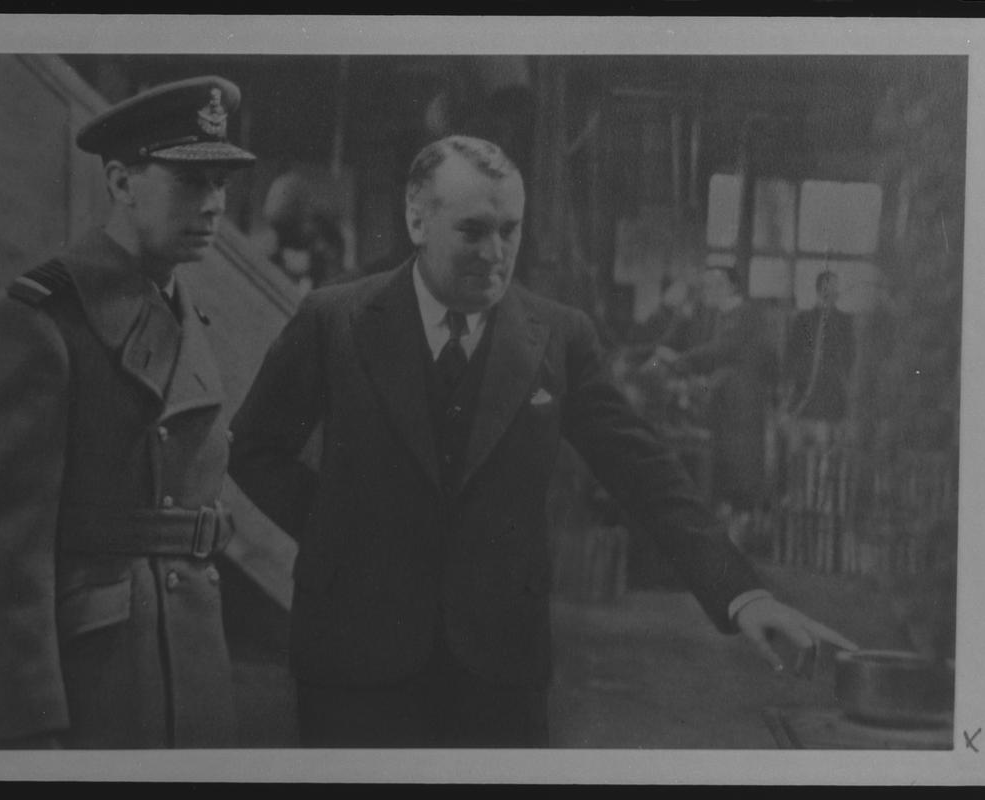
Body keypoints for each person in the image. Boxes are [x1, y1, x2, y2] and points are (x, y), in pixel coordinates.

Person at [228, 135, 855, 748]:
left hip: (498, 671)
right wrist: (339, 533)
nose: (496, 253)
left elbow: (645, 473)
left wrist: (742, 595)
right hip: (354, 658)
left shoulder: (558, 337)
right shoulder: (333, 321)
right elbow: (254, 447)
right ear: (417, 221)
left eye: (511, 229)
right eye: (473, 231)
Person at [0, 76, 257, 749]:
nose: (214, 205)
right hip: (97, 669)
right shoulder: (40, 322)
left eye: (221, 183)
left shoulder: (189, 312)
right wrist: (29, 723)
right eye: (191, 182)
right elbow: (6, 556)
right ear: (120, 181)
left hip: (190, 649)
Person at [659, 266, 777, 530]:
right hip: (723, 402)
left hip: (741, 405)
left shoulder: (743, 314)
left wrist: (681, 361)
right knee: (720, 467)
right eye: (707, 284)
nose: (708, 290)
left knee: (740, 468)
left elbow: (723, 350)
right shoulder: (716, 316)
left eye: (716, 284)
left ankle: (740, 526)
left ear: (732, 287)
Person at [784, 269, 856, 445]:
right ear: (820, 289)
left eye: (836, 288)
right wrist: (802, 376)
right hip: (805, 398)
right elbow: (790, 356)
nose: (834, 292)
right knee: (801, 451)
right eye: (830, 287)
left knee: (831, 451)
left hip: (834, 399)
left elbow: (851, 356)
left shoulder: (845, 322)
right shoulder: (803, 320)